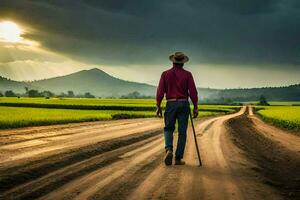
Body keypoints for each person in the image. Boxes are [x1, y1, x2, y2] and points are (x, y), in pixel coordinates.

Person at [156, 52, 198, 166]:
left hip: (170, 104)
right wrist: (195, 107)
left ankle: (169, 149)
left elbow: (160, 92)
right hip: (184, 104)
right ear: (183, 63)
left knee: (168, 129)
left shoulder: (165, 74)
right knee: (182, 132)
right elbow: (193, 92)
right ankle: (178, 158)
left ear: (173, 61)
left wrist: (158, 106)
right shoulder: (188, 75)